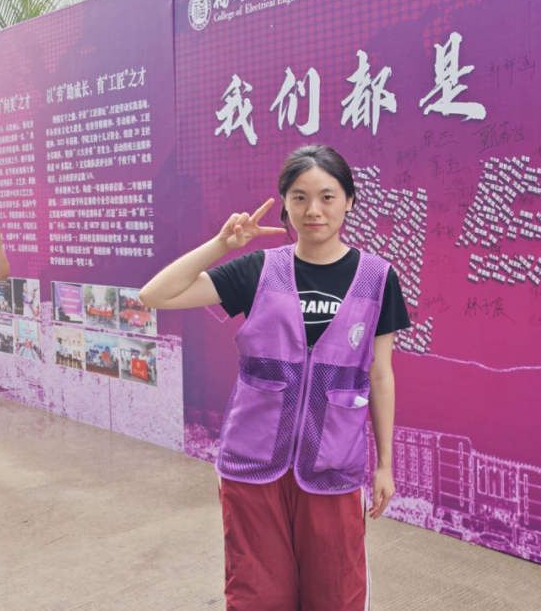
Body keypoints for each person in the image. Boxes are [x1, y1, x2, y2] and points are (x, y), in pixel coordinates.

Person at [139, 144, 410, 610]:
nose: (313, 210)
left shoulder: (378, 279)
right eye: (299, 197)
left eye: (327, 196)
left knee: (337, 596)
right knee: (257, 596)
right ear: (284, 202)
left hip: (331, 466)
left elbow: (380, 375)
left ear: (349, 200)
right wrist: (222, 245)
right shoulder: (259, 270)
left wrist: (384, 464)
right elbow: (155, 294)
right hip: (253, 463)